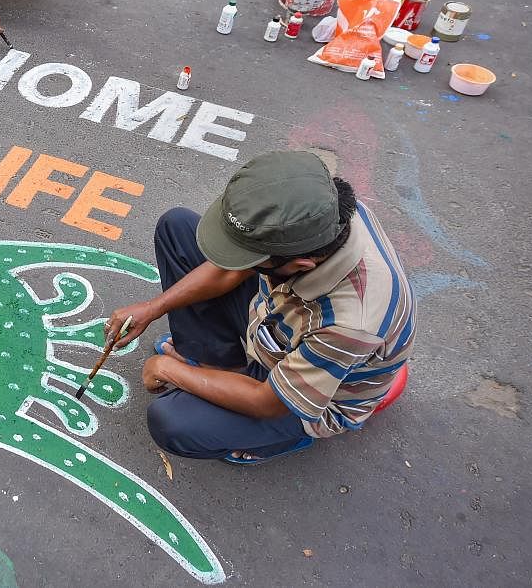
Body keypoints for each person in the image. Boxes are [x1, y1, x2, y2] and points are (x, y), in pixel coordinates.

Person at [105, 151, 414, 464]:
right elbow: (231, 269)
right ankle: (221, 366)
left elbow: (267, 402)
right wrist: (152, 308)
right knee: (178, 227)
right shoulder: (321, 217)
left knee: (171, 423)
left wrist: (168, 368)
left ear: (300, 264)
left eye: (254, 258)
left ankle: (278, 441)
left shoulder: (350, 324)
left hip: (304, 398)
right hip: (277, 325)